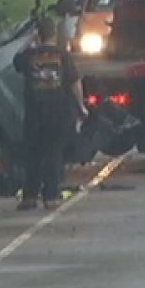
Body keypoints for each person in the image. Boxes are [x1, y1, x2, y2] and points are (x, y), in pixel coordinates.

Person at [13, 14, 88, 210]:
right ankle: (51, 196)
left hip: (35, 112)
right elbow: (74, 82)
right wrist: (81, 107)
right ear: (54, 33)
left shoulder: (29, 56)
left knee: (33, 153)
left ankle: (30, 196)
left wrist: (28, 43)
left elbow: (15, 63)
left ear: (38, 34)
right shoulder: (63, 56)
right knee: (53, 153)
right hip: (58, 111)